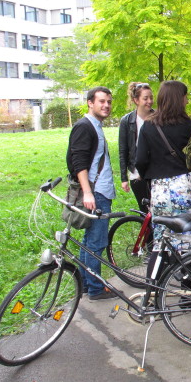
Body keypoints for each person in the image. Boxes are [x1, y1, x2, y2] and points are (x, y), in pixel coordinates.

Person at [135, 80, 191, 275]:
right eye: (185, 96)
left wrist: (149, 179)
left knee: (160, 243)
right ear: (179, 99)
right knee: (187, 242)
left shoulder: (149, 126)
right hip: (184, 187)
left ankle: (152, 293)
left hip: (160, 189)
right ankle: (187, 295)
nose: (187, 100)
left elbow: (140, 160)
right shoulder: (189, 126)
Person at [66, 86, 117, 300]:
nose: (106, 105)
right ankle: (96, 289)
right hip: (96, 193)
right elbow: (78, 162)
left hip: (99, 191)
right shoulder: (85, 126)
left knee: (89, 241)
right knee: (96, 242)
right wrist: (88, 193)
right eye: (101, 101)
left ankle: (88, 285)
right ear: (90, 102)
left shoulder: (94, 125)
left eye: (108, 102)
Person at [118, 82, 154, 211]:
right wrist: (124, 178)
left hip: (156, 171)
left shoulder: (158, 118)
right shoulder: (127, 121)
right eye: (145, 98)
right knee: (145, 211)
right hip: (137, 173)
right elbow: (123, 150)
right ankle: (146, 232)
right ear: (136, 100)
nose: (149, 101)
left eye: (151, 97)